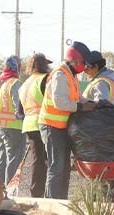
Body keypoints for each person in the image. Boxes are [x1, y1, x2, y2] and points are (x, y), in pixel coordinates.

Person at [38, 41, 97, 199]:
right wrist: (81, 107)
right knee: (56, 167)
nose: (84, 67)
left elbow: (77, 97)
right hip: (51, 127)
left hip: (63, 127)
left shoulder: (72, 76)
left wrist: (90, 103)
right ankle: (52, 203)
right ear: (75, 61)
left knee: (64, 168)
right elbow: (60, 102)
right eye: (83, 63)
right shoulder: (60, 74)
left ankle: (62, 201)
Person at [16, 52, 52, 198]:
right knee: (46, 161)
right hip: (44, 123)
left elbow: (19, 112)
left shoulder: (25, 84)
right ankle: (38, 193)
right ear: (44, 65)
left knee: (38, 160)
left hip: (29, 125)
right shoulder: (45, 79)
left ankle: (37, 192)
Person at [0, 56, 25, 186]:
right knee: (14, 159)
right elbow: (20, 108)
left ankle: (0, 189)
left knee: (2, 158)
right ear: (16, 68)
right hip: (12, 127)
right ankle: (10, 190)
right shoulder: (15, 83)